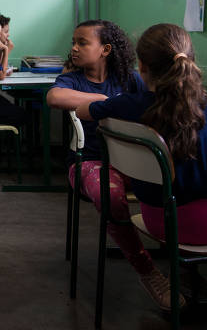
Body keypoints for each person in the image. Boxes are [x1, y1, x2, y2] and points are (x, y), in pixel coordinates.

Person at [77, 23, 207, 249]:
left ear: (142, 66)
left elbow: (82, 111)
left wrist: (111, 103)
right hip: (203, 225)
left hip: (155, 220)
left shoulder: (127, 104)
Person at [47, 19, 175, 312]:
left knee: (177, 179)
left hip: (134, 163)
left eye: (82, 42)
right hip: (89, 163)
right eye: (74, 42)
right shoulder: (73, 80)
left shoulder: (130, 79)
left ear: (105, 49)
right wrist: (108, 101)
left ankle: (184, 268)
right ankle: (148, 271)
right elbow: (55, 97)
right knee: (109, 193)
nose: (74, 48)